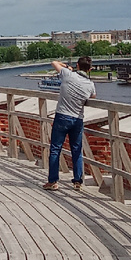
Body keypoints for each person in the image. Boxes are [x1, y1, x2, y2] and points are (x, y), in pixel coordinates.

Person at [44, 56, 96, 192]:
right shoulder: (90, 84)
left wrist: (67, 67)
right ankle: (78, 181)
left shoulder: (67, 74)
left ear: (77, 65)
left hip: (62, 116)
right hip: (78, 119)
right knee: (77, 150)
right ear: (90, 69)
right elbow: (93, 96)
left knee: (55, 149)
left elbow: (53, 62)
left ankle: (53, 181)